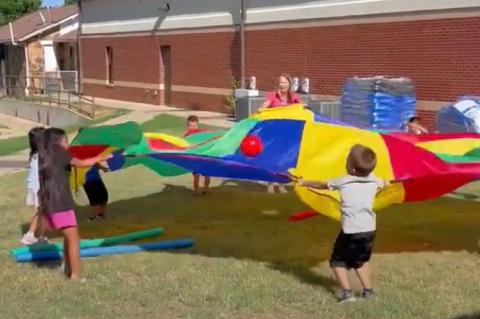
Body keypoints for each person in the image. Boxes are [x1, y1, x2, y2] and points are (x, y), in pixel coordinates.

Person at [295, 144, 389, 303]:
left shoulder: (344, 181)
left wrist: (304, 182)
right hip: (369, 230)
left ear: (351, 169)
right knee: (361, 261)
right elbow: (385, 183)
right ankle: (368, 291)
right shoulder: (375, 180)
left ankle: (347, 293)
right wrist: (386, 182)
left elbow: (322, 184)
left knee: (337, 261)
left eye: (347, 160)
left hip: (351, 231)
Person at [38, 127, 110, 281]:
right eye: (65, 141)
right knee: (74, 240)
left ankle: (68, 269)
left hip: (50, 204)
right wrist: (99, 158)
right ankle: (76, 276)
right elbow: (81, 163)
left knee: (68, 237)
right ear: (57, 142)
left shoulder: (45, 156)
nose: (67, 144)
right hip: (62, 204)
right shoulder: (62, 153)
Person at [262, 74, 302, 194]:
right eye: (280, 82)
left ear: (289, 84)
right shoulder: (273, 95)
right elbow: (265, 105)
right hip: (275, 132)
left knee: (285, 160)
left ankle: (281, 184)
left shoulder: (294, 97)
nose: (282, 85)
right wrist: (263, 109)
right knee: (274, 159)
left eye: (284, 82)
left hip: (289, 132)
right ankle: (270, 184)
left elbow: (302, 107)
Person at [21, 127, 47, 245]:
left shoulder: (35, 154)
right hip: (39, 187)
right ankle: (29, 235)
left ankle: (41, 236)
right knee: (40, 212)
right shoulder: (42, 155)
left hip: (35, 186)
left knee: (42, 213)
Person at [183, 115, 211, 196]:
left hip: (204, 157)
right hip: (194, 158)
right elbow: (185, 146)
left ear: (197, 124)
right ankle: (196, 191)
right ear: (187, 125)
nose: (193, 128)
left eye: (194, 126)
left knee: (207, 175)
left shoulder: (202, 133)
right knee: (196, 176)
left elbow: (209, 139)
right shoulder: (187, 135)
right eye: (191, 126)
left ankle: (206, 190)